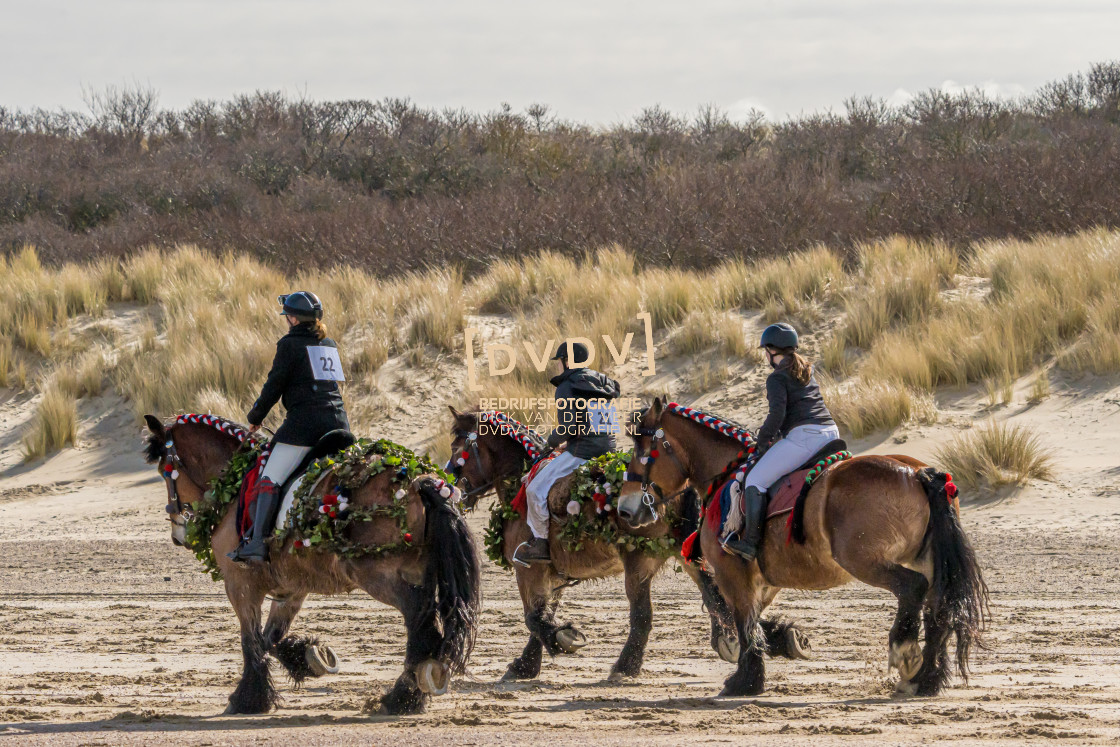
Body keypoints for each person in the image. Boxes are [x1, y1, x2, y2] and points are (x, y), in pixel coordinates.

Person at [228, 291, 351, 565]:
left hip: (305, 429)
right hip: (339, 423)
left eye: (288, 316)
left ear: (293, 318)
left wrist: (256, 416)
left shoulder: (289, 344)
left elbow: (274, 385)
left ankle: (257, 543)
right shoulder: (328, 343)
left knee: (269, 479)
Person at [723, 323, 839, 561]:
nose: (766, 355)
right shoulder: (807, 369)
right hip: (831, 432)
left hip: (806, 438)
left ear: (772, 351)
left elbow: (777, 415)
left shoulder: (776, 378)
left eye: (766, 350)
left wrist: (762, 441)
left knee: (755, 480)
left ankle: (750, 544)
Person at [513, 341, 621, 566]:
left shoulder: (566, 386)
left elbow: (569, 427)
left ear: (567, 360)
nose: (559, 366)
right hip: (610, 450)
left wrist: (550, 443)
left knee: (534, 490)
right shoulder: (603, 382)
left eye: (560, 361)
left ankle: (541, 543)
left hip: (583, 453)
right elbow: (592, 424)